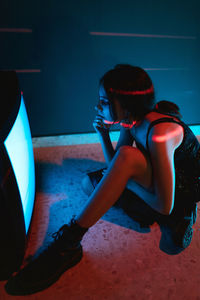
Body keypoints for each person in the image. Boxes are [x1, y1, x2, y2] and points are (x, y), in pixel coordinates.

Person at [5, 65, 200, 295]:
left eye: (105, 102)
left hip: (179, 192)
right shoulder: (131, 122)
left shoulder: (160, 133)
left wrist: (126, 182)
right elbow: (116, 165)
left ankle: (68, 243)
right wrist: (103, 134)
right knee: (89, 184)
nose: (99, 107)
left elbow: (164, 205)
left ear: (125, 105)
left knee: (127, 164)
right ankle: (126, 215)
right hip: (155, 180)